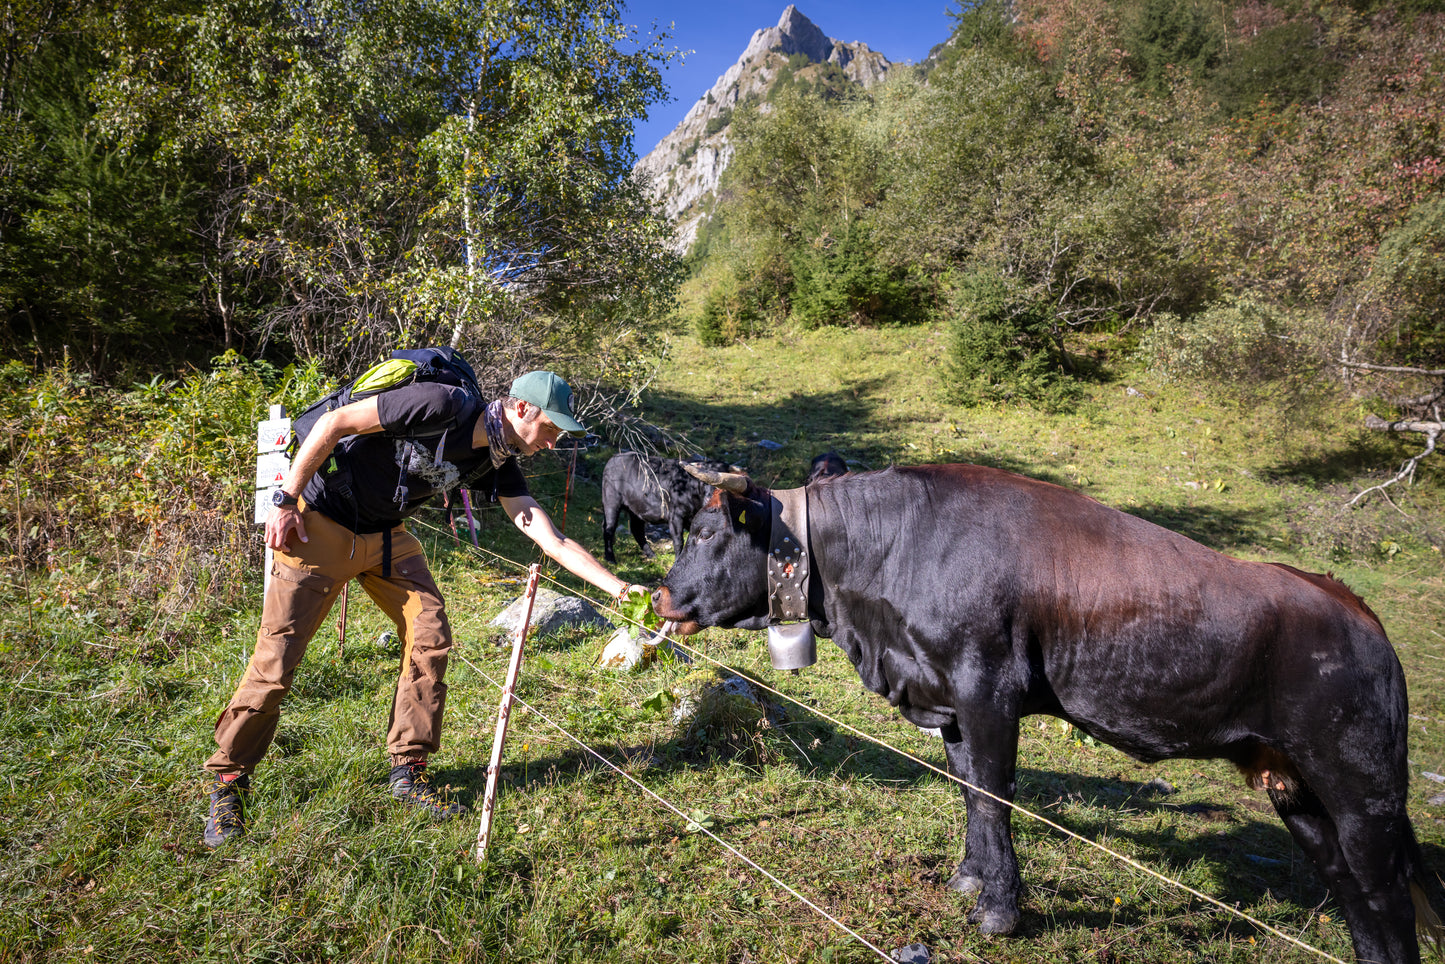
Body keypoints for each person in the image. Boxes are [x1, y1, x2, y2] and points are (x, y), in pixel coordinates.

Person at [203, 369, 647, 847]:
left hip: (386, 537)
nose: (553, 441)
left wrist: (618, 588)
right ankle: (229, 782)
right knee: (278, 659)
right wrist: (286, 499)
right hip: (320, 522)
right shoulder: (441, 404)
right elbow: (334, 424)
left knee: (430, 635)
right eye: (551, 427)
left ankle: (409, 772)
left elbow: (550, 538)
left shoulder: (497, 459)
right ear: (522, 409)